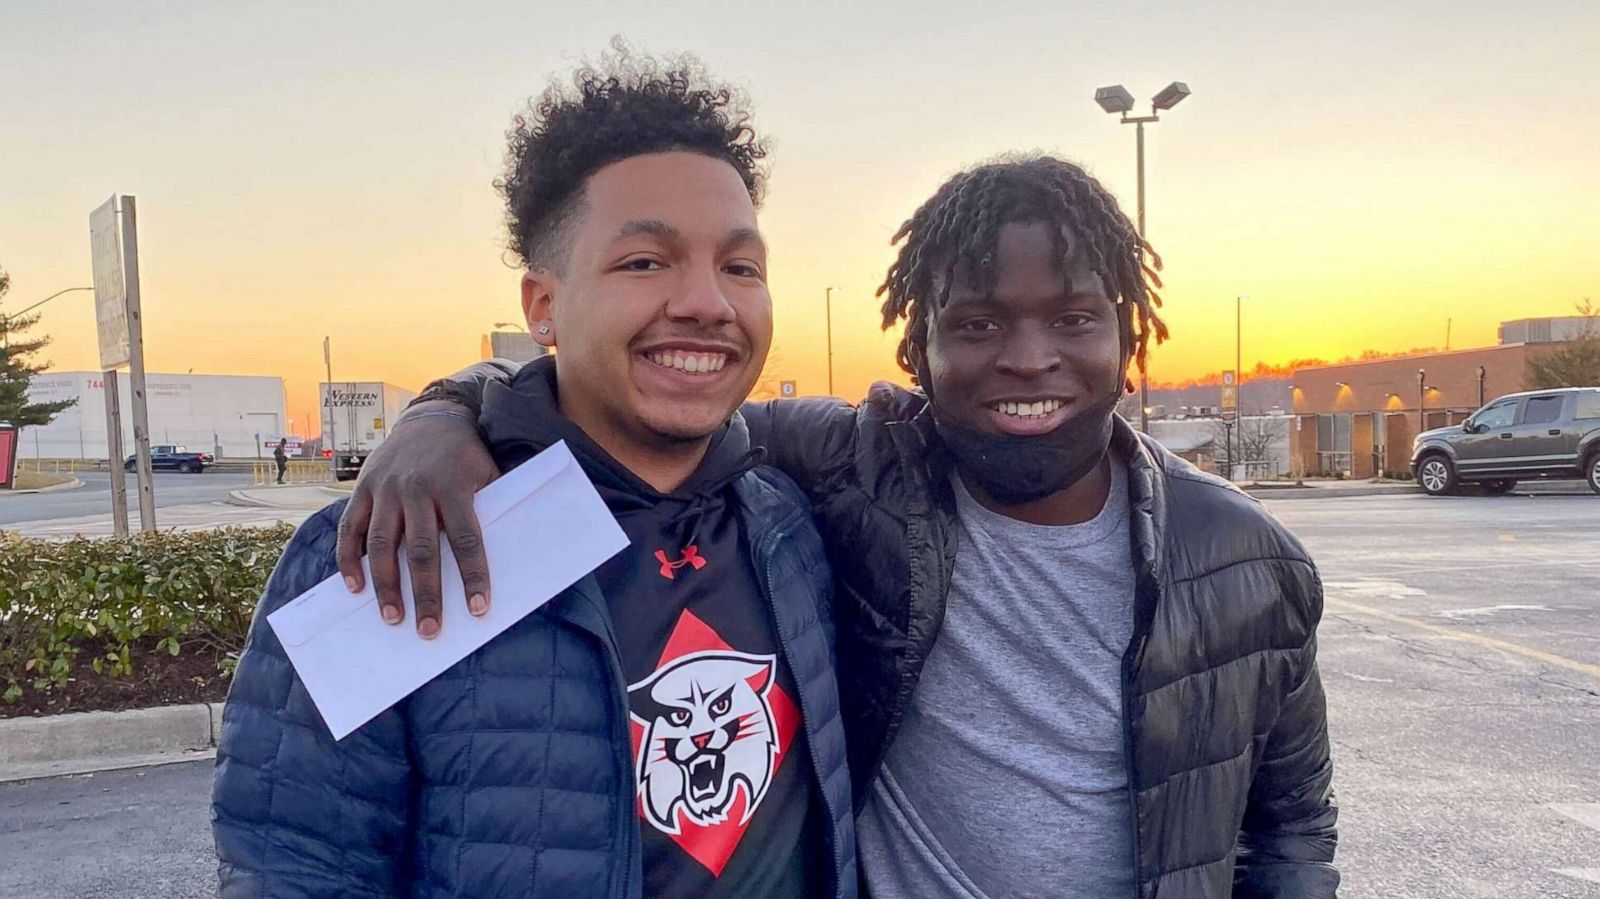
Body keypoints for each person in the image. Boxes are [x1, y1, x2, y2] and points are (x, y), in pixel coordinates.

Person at [347, 156, 1340, 897]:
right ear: (918, 344)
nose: (1029, 357)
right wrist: (449, 409)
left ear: (1130, 333)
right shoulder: (854, 468)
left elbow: (1291, 827)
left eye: (1074, 319)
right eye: (979, 323)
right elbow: (636, 403)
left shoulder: (1246, 560)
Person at [212, 48, 855, 899]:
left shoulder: (793, 525)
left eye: (741, 267)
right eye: (645, 261)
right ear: (543, 306)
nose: (709, 301)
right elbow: (294, 868)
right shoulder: (393, 543)